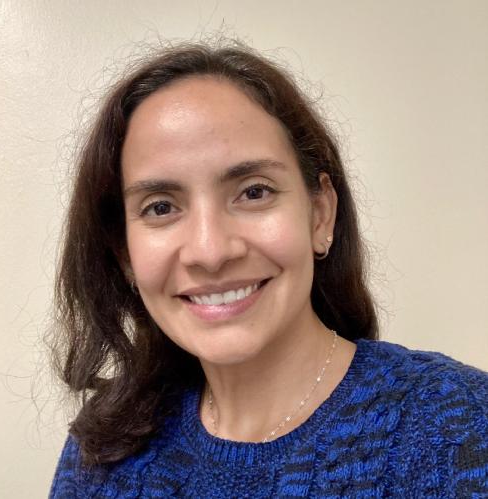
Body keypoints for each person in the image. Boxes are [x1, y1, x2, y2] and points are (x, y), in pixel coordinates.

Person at [49, 41, 487, 498]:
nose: (210, 251)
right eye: (160, 206)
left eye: (253, 192)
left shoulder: (460, 428)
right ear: (124, 254)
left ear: (320, 216)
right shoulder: (102, 451)